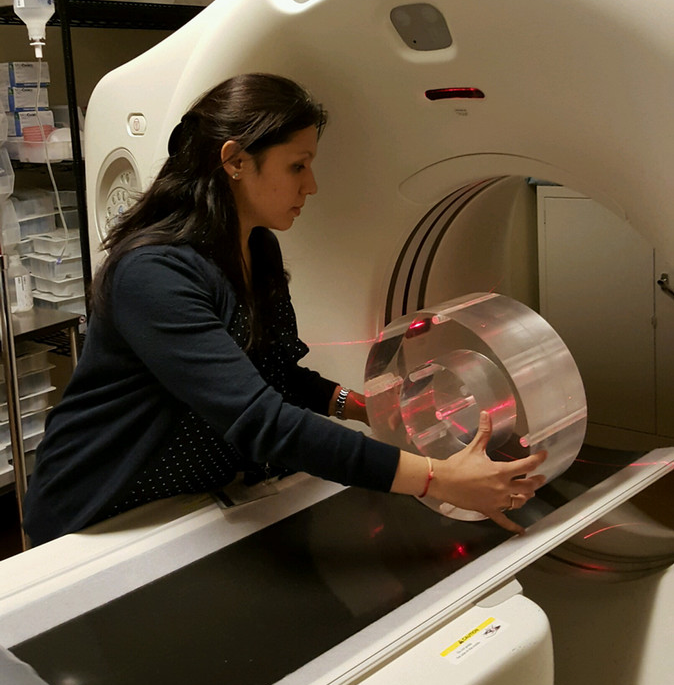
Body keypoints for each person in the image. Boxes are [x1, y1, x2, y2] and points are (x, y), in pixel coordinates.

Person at [23, 73, 545, 545]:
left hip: (184, 504)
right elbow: (260, 419)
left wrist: (366, 406)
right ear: (234, 161)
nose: (310, 185)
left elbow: (272, 376)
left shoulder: (256, 248)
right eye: (297, 166)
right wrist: (437, 479)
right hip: (97, 511)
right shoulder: (153, 275)